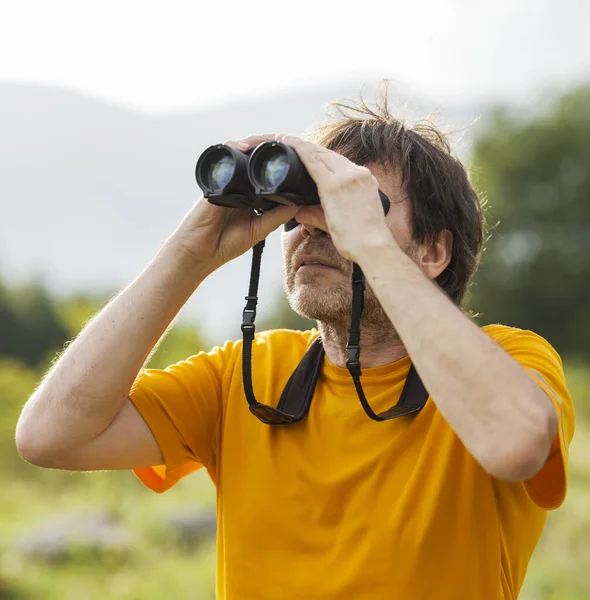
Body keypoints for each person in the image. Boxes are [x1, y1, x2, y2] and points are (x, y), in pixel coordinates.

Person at [15, 95, 575, 600]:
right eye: (306, 208)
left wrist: (371, 246)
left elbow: (516, 444)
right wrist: (190, 253)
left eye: (354, 203)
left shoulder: (510, 360)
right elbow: (49, 436)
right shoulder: (247, 376)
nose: (314, 228)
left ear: (432, 251)